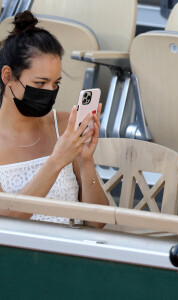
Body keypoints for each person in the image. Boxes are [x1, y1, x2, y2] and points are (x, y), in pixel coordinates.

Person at [0, 11, 108, 227]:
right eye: (40, 83)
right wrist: (58, 160)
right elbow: (6, 220)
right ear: (8, 76)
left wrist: (86, 161)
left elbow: (99, 222)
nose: (50, 92)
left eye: (56, 83)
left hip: (71, 253)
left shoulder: (65, 126)